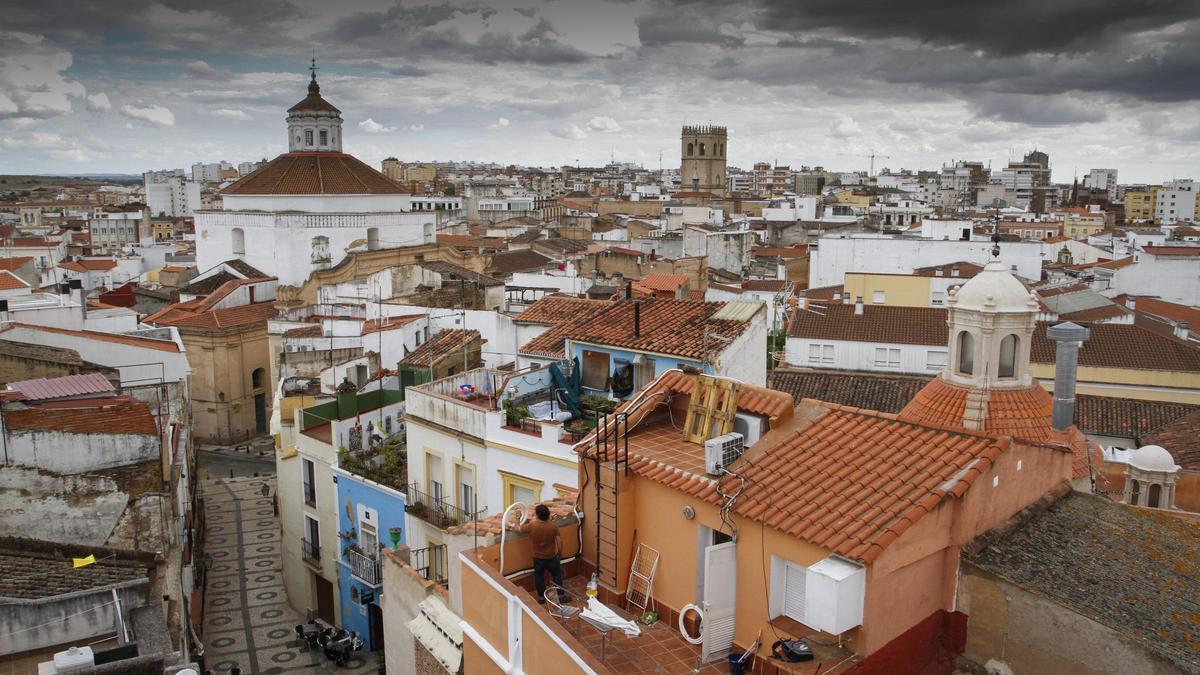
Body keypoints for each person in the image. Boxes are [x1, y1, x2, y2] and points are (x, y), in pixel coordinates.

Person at [516, 503, 568, 603]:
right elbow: (559, 540)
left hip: (538, 557)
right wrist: (560, 553)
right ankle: (561, 596)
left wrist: (517, 518)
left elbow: (518, 529)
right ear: (548, 515)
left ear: (537, 515)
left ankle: (541, 597)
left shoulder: (532, 525)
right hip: (551, 556)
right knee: (557, 575)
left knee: (539, 577)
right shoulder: (553, 526)